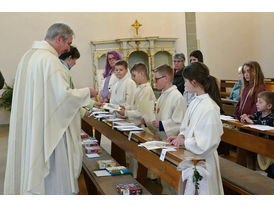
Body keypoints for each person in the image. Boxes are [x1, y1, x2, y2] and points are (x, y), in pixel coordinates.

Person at [4, 22, 95, 195]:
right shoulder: (50, 60)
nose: (67, 49)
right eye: (68, 43)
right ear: (59, 38)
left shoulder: (28, 56)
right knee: (52, 177)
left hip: (33, 125)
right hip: (49, 131)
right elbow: (62, 97)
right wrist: (86, 93)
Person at [167, 62, 224, 195]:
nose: (184, 84)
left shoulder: (209, 107)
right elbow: (187, 125)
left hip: (204, 161)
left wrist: (185, 142)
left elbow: (208, 142)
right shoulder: (195, 101)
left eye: (186, 81)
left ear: (194, 82)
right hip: (192, 157)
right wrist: (180, 136)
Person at [145, 64, 187, 141]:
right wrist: (147, 121)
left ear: (166, 78)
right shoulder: (162, 96)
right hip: (160, 138)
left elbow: (180, 123)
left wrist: (161, 124)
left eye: (156, 79)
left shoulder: (177, 97)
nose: (155, 82)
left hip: (171, 141)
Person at [240, 91, 274, 178]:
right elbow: (251, 117)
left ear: (269, 106)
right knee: (268, 168)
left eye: (260, 102)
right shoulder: (259, 113)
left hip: (271, 145)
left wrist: (251, 121)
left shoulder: (272, 116)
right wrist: (245, 117)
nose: (257, 104)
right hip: (263, 144)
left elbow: (265, 122)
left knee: (272, 166)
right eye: (257, 101)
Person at [59, 45, 98, 117]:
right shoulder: (63, 71)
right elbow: (68, 97)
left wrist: (92, 104)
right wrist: (83, 112)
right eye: (75, 60)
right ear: (70, 58)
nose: (75, 63)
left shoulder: (61, 68)